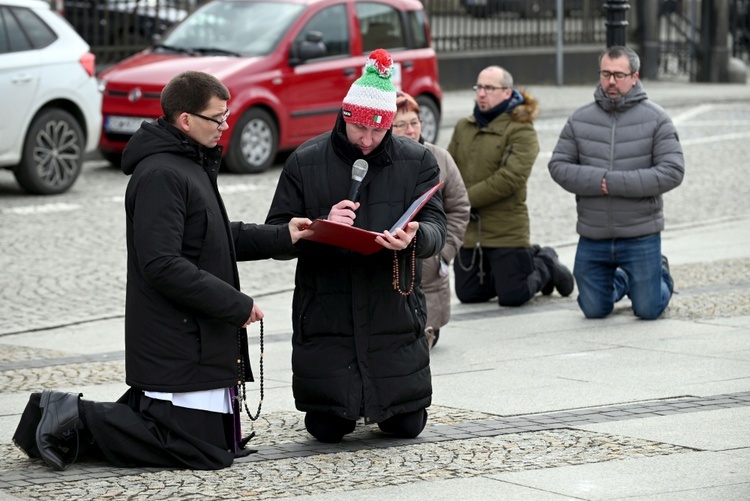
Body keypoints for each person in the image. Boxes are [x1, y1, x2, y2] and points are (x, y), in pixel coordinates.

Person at [13, 70, 313, 471]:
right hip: (176, 335)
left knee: (214, 445)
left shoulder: (190, 162)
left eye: (226, 116)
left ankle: (72, 424)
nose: (226, 126)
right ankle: (68, 414)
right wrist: (235, 304)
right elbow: (162, 263)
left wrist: (283, 236)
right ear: (185, 120)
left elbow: (213, 237)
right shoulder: (161, 173)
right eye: (217, 118)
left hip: (194, 334)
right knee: (203, 451)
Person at [264, 49, 447, 443]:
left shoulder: (417, 161)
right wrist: (319, 228)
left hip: (391, 303)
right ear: (345, 116)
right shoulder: (305, 160)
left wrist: (415, 236)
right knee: (326, 429)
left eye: (378, 131)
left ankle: (387, 403)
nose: (367, 141)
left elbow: (437, 225)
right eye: (359, 130)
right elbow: (276, 233)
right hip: (327, 305)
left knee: (406, 427)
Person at [548, 46, 684, 320]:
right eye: (606, 74)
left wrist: (615, 183)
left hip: (640, 232)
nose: (611, 81)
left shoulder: (657, 119)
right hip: (594, 233)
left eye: (619, 75)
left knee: (648, 310)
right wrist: (599, 181)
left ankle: (662, 274)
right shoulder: (579, 119)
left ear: (634, 77)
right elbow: (558, 166)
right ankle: (624, 280)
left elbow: (672, 171)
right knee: (594, 310)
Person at [447, 65, 574, 308]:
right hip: (471, 232)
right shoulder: (465, 126)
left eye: (489, 88)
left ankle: (544, 262)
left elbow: (510, 178)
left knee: (513, 296)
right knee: (469, 294)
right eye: (479, 87)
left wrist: (463, 199)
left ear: (507, 92)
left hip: (507, 230)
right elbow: (449, 169)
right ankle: (514, 269)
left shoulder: (521, 127)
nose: (482, 93)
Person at [391, 91, 470, 349]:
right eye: (401, 124)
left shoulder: (439, 157)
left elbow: (459, 207)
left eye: (414, 122)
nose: (410, 129)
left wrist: (444, 251)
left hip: (428, 257)